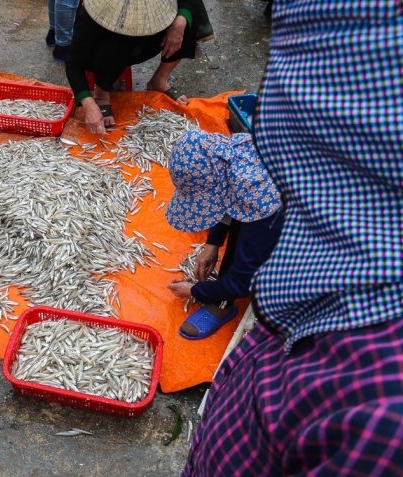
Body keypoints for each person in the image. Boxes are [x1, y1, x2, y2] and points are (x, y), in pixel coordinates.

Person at [182, 1, 403, 475]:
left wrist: (202, 291)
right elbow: (229, 210)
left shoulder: (379, 417)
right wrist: (212, 242)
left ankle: (218, 310)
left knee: (240, 273)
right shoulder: (253, 163)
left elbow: (244, 276)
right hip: (243, 413)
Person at [165, 130, 283, 339]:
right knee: (245, 223)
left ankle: (224, 302)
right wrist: (213, 243)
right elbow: (228, 202)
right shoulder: (235, 153)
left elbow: (244, 281)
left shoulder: (261, 205)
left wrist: (195, 291)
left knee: (255, 251)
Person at [65, 0, 198, 135]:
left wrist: (180, 22)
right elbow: (73, 63)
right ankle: (101, 94)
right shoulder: (91, 11)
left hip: (147, 39)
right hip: (111, 47)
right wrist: (89, 105)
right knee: (115, 46)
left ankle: (159, 80)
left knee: (187, 18)